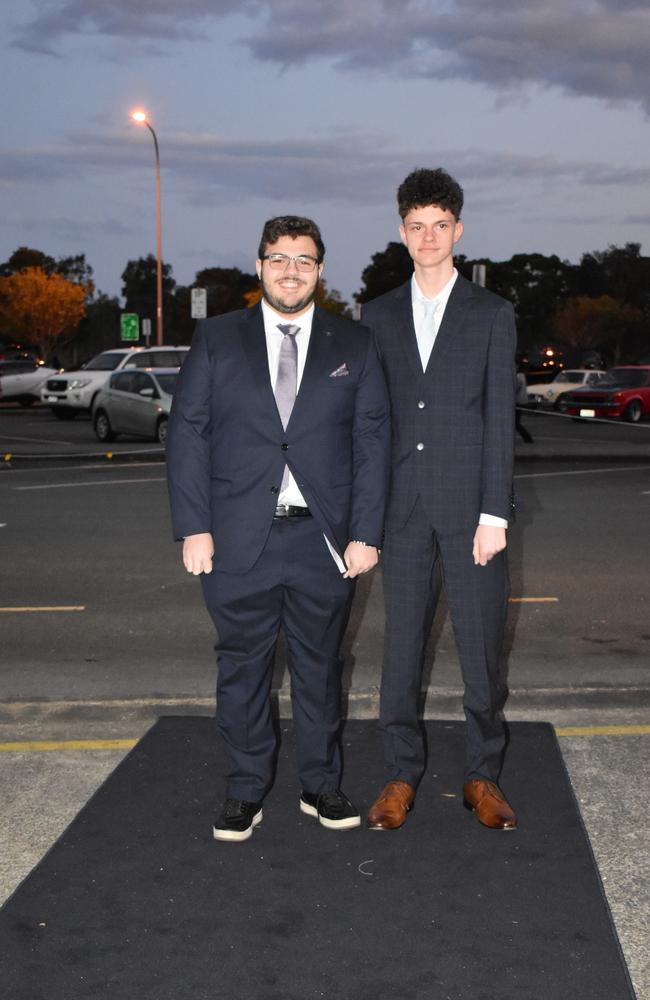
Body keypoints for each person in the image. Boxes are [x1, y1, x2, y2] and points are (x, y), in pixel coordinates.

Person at [166, 216, 390, 842]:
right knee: (242, 670)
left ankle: (321, 784)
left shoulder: (356, 344)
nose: (291, 270)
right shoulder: (216, 338)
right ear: (259, 265)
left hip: (324, 542)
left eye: (304, 259)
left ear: (321, 270)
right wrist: (194, 527)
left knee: (321, 668)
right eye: (278, 258)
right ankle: (245, 790)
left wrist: (365, 533)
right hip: (237, 539)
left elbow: (373, 444)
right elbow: (188, 435)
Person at [362, 168, 518, 831]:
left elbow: (498, 418)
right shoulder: (378, 314)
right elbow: (371, 421)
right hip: (401, 511)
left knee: (481, 651)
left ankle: (482, 775)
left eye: (441, 225)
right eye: (416, 226)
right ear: (403, 232)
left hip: (470, 511)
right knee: (400, 651)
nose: (429, 237)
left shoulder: (492, 313)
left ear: (458, 229)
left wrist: (494, 513)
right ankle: (400, 773)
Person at [515, 369, 534, 443]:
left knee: (516, 423)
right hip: (520, 401)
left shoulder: (518, 377)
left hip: (517, 402)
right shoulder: (521, 376)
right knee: (516, 423)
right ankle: (527, 438)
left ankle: (528, 438)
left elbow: (516, 388)